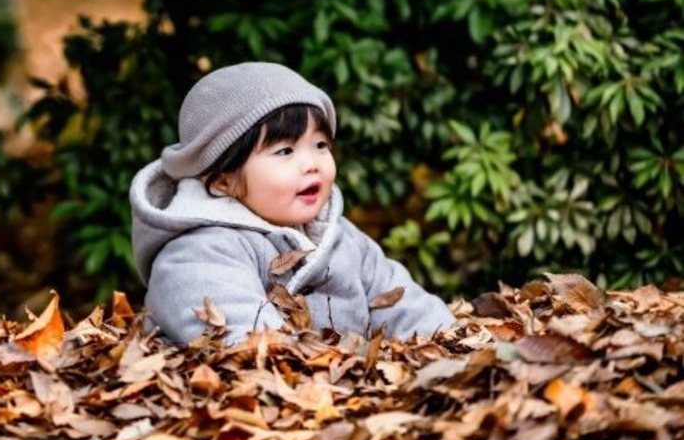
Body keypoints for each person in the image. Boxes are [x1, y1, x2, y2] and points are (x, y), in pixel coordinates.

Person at [129, 61, 455, 345]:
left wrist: (447, 341)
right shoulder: (197, 251)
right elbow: (244, 341)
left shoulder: (340, 238)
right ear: (223, 180)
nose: (311, 163)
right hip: (246, 406)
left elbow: (404, 304)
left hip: (338, 396)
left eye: (320, 144)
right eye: (285, 151)